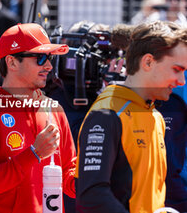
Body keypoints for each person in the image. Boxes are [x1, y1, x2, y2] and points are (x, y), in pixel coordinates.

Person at [0, 23, 77, 212]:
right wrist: (33, 154)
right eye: (40, 58)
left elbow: (69, 177)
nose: (48, 66)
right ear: (12, 62)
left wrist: (97, 174)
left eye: (49, 58)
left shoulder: (53, 109)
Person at [75, 20, 187, 212]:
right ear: (148, 62)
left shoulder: (156, 116)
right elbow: (91, 195)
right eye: (177, 70)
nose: (181, 81)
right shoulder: (106, 114)